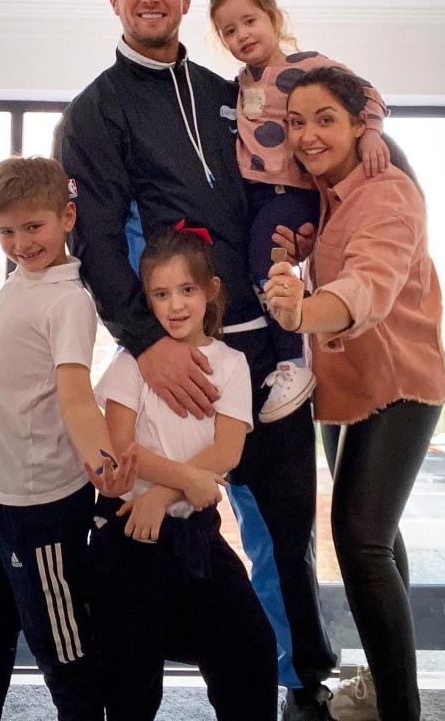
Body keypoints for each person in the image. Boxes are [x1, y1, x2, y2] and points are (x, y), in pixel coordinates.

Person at [54, 0, 337, 720]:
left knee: (285, 540)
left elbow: (278, 187)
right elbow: (98, 243)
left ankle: (302, 683)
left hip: (269, 359)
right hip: (169, 363)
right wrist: (150, 346)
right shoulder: (93, 112)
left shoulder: (232, 92)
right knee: (164, 533)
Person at [265, 66, 445, 721]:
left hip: (399, 384)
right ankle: (381, 685)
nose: (309, 135)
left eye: (325, 120)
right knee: (381, 534)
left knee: (359, 537)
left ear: (355, 124)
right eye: (297, 122)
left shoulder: (387, 192)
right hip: (346, 390)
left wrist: (302, 311)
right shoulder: (324, 195)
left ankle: (402, 709)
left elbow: (369, 286)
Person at [0, 156, 136, 721]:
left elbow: (76, 397)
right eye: (6, 231)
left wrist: (104, 467)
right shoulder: (21, 280)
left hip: (39, 508)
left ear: (67, 216)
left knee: (62, 648)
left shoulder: (69, 300)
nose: (19, 242)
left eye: (32, 227)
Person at [89, 225, 278, 721]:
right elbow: (117, 444)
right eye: (160, 293)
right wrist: (176, 484)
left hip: (195, 533)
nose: (175, 305)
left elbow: (229, 449)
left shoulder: (232, 363)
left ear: (211, 290)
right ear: (146, 300)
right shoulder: (133, 363)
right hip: (131, 533)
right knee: (130, 678)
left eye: (186, 290)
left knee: (251, 649)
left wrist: (165, 492)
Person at [209, 0, 389, 423]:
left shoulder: (309, 66)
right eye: (229, 31)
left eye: (249, 21)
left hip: (289, 191)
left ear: (273, 18)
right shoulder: (239, 83)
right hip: (254, 194)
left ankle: (294, 362)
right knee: (249, 268)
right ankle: (290, 353)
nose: (241, 35)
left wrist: (371, 134)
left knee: (264, 267)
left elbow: (366, 94)